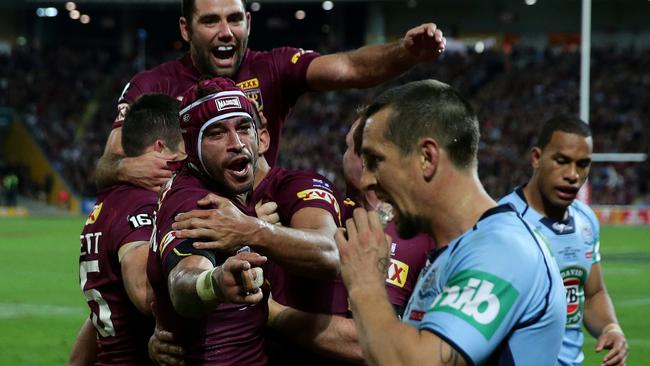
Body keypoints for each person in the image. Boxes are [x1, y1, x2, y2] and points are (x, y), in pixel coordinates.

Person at [95, 0, 447, 192]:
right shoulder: (153, 84)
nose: (225, 32)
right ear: (186, 29)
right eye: (211, 21)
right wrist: (126, 167)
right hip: (183, 229)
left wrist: (406, 52)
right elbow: (105, 167)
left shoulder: (274, 68)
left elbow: (351, 68)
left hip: (258, 220)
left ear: (248, 22)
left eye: (234, 19)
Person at [336, 79, 566, 365]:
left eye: (375, 160)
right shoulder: (456, 251)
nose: (367, 179)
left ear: (426, 158)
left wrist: (365, 283)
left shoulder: (502, 250)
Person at [147, 78, 272, 364]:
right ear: (193, 146)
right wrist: (213, 283)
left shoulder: (223, 189)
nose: (237, 144)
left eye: (243, 128)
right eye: (216, 133)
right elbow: (183, 279)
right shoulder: (196, 203)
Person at [498, 115, 628, 366]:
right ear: (536, 158)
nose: (573, 175)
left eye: (582, 164)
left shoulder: (585, 221)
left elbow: (593, 294)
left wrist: (611, 327)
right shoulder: (503, 223)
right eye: (562, 161)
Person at [70, 94, 185, 365]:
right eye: (182, 149)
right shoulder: (142, 207)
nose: (186, 159)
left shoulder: (108, 203)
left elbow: (107, 308)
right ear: (160, 149)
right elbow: (145, 294)